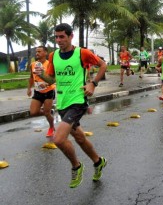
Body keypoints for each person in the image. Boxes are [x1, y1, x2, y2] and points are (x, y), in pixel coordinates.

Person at [34, 23, 107, 188]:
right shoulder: (53, 56)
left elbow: (103, 65)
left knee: (59, 139)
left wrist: (93, 84)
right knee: (80, 138)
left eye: (62, 37)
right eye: (56, 37)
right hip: (63, 102)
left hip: (78, 101)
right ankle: (98, 162)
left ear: (70, 36)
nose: (59, 40)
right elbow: (53, 79)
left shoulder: (82, 53)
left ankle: (76, 166)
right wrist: (42, 76)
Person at [27, 46, 56, 137]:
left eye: (39, 51)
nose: (37, 53)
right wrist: (29, 88)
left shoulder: (50, 64)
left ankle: (51, 127)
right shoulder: (33, 64)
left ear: (45, 53)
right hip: (37, 91)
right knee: (33, 112)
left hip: (49, 91)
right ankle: (49, 113)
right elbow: (31, 77)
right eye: (36, 52)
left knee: (47, 113)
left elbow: (54, 78)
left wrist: (46, 84)